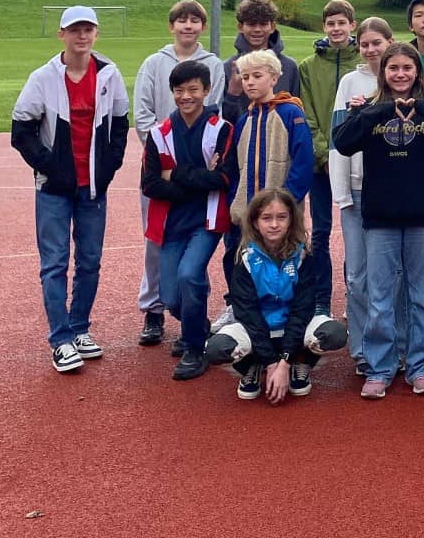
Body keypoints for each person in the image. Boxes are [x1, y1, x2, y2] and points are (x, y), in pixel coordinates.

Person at [333, 43, 424, 399]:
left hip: (422, 213)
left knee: (421, 296)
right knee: (380, 297)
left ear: (417, 72)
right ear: (384, 72)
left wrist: (422, 107)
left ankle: (420, 365)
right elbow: (342, 143)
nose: (400, 74)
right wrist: (375, 112)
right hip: (380, 216)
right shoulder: (369, 107)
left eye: (407, 68)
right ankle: (380, 366)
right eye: (393, 68)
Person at [11, 6, 129, 374]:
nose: (82, 36)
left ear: (96, 33)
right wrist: (51, 167)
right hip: (54, 189)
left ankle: (79, 328)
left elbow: (120, 127)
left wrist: (108, 168)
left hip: (93, 188)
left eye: (88, 29)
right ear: (61, 34)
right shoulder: (43, 78)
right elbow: (21, 133)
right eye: (75, 29)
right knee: (55, 264)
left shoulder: (109, 74)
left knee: (90, 260)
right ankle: (60, 339)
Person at [133, 0, 224, 347]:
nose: (188, 26)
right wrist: (164, 156)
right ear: (171, 25)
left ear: (202, 26)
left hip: (197, 167)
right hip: (161, 162)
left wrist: (190, 171)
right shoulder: (154, 63)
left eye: (195, 20)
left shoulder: (212, 64)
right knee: (157, 240)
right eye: (181, 20)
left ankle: (193, 317)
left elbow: (215, 111)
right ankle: (154, 310)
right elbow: (143, 115)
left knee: (194, 253)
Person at [205, 188, 346, 402]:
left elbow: (302, 310)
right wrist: (271, 363)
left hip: (292, 327)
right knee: (216, 348)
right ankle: (251, 366)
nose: (274, 224)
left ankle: (301, 362)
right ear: (254, 222)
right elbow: (248, 315)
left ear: (291, 220)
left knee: (335, 333)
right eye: (266, 218)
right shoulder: (244, 259)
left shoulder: (303, 256)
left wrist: (286, 361)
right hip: (259, 328)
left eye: (281, 217)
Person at [140, 60, 234, 381]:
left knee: (190, 275)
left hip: (205, 222)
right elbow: (150, 184)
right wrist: (197, 180)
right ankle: (198, 325)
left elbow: (222, 179)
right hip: (171, 223)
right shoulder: (160, 134)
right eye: (179, 90)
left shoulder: (221, 129)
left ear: (206, 91)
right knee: (170, 296)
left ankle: (195, 347)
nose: (186, 96)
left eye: (193, 89)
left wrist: (176, 175)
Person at [212, 49, 314, 334]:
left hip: (281, 212)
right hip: (246, 212)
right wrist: (235, 198)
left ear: (274, 77)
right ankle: (239, 309)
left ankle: (288, 321)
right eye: (245, 77)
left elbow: (303, 161)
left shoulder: (290, 112)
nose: (250, 82)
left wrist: (288, 201)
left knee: (284, 261)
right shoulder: (245, 119)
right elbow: (235, 167)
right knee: (239, 258)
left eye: (257, 76)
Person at [330, 16, 394, 376]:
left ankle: (393, 343)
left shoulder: (403, 77)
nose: (371, 49)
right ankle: (362, 347)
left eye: (377, 42)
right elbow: (340, 142)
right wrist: (342, 194)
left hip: (390, 192)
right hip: (356, 190)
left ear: (389, 42)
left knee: (392, 273)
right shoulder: (349, 83)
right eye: (365, 43)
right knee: (357, 275)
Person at [298, 0, 360, 317]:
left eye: (342, 23)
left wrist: (345, 154)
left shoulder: (363, 62)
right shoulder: (308, 67)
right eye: (331, 23)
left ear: (353, 25)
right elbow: (306, 114)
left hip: (358, 163)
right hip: (321, 164)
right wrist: (325, 152)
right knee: (320, 232)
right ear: (324, 27)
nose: (336, 29)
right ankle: (322, 298)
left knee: (357, 231)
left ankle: (355, 293)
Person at [221, 0, 301, 128]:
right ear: (240, 27)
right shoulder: (229, 67)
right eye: (251, 24)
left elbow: (297, 110)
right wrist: (232, 95)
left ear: (272, 27)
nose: (257, 29)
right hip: (241, 142)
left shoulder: (288, 66)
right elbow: (225, 120)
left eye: (263, 24)